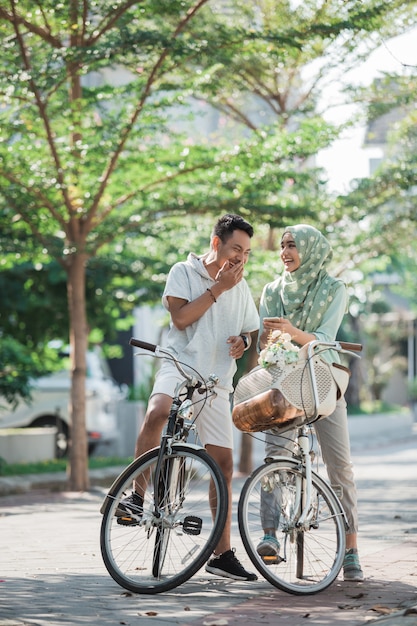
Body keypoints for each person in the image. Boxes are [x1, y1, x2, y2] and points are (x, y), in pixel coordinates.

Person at [119, 214, 259, 581]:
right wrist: (218, 289)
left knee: (223, 467)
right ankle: (136, 498)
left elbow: (250, 331)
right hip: (179, 364)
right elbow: (180, 319)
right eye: (235, 249)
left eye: (246, 252)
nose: (241, 257)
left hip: (215, 381)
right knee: (158, 412)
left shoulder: (241, 286)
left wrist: (242, 342)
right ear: (216, 244)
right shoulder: (183, 270)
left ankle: (222, 554)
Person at [256, 223, 364, 582]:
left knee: (340, 466)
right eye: (283, 246)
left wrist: (291, 333)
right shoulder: (272, 290)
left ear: (312, 249)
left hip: (323, 382)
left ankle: (350, 548)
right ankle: (270, 533)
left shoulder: (334, 289)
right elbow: (264, 343)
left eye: (293, 245)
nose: (286, 252)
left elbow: (324, 338)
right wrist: (270, 344)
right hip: (284, 383)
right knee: (275, 457)